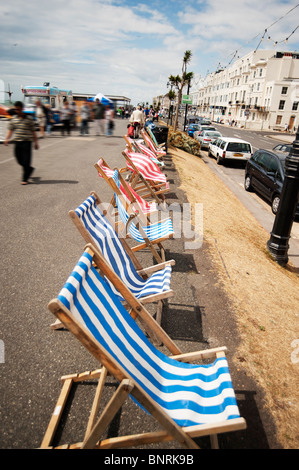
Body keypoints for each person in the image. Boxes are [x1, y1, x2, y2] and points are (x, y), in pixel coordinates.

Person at [4, 101, 39, 185]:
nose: (17, 111)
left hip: (27, 142)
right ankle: (29, 169)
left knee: (26, 161)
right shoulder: (14, 119)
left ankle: (25, 178)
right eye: (16, 109)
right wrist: (7, 139)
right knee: (19, 159)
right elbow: (10, 130)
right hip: (18, 142)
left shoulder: (29, 119)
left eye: (18, 109)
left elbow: (33, 131)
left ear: (22, 109)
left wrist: (36, 142)